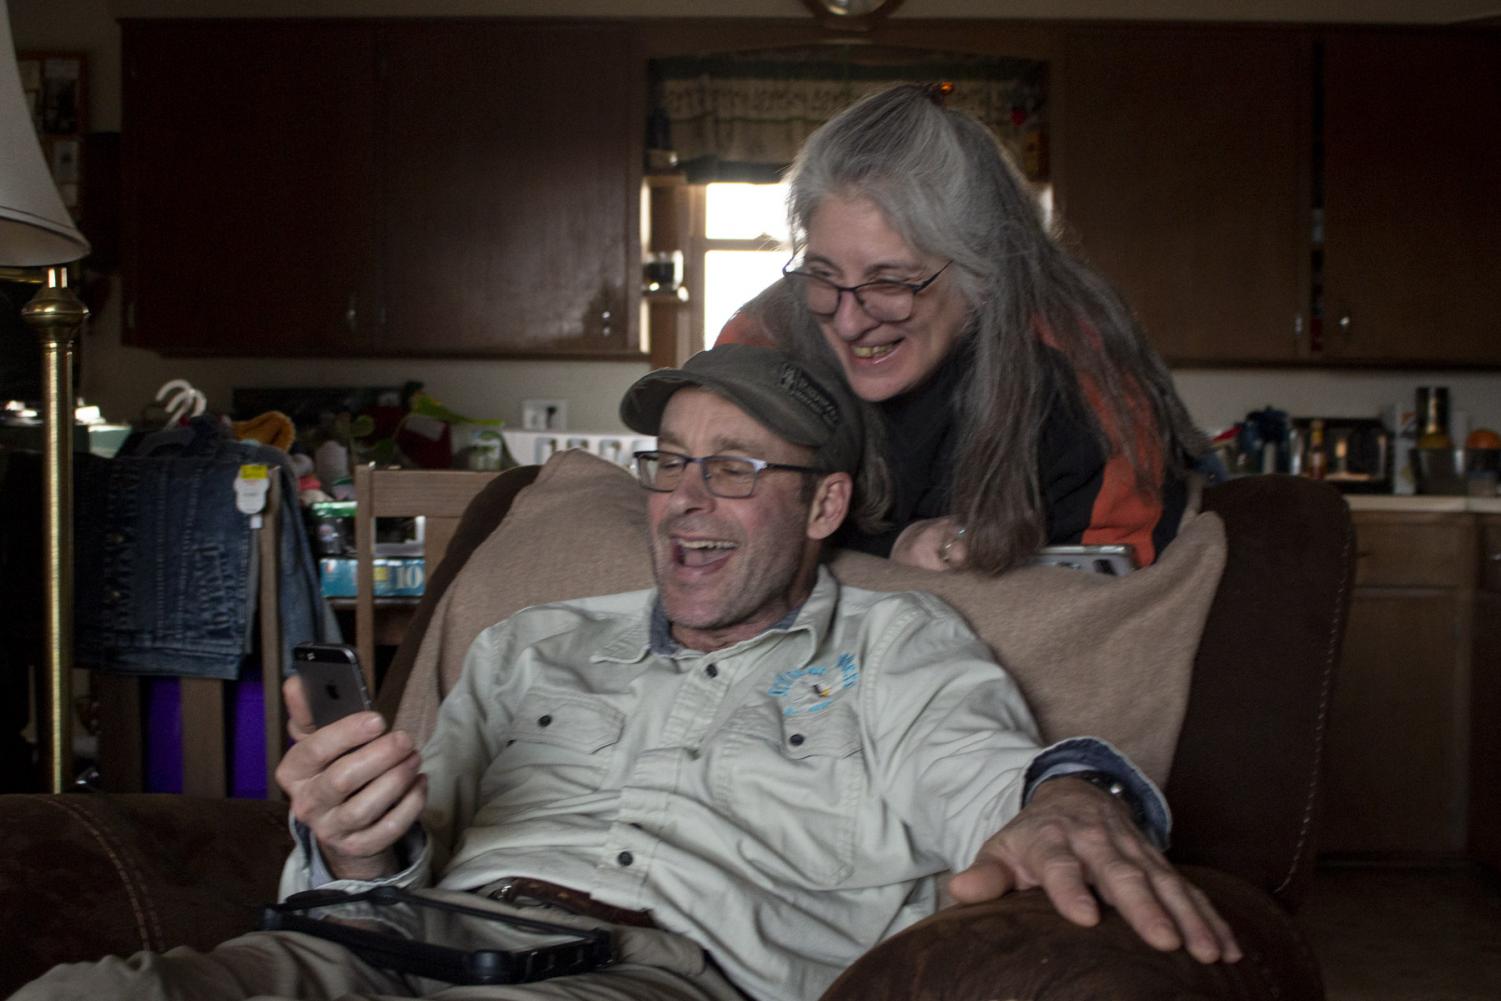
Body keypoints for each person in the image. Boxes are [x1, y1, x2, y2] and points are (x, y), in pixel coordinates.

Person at [13, 345, 1237, 1001]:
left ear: (825, 503)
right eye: (669, 463)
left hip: (644, 976)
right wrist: (349, 842)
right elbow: (398, 843)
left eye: (736, 470)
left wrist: (1071, 796)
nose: (686, 501)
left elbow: (996, 782)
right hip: (382, 943)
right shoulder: (532, 640)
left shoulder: (899, 648)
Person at [721, 82, 1209, 575]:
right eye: (824, 275)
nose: (848, 322)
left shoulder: (1085, 379)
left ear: (984, 274)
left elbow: (1116, 601)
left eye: (890, 282)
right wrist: (892, 552)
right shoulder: (763, 338)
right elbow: (711, 519)